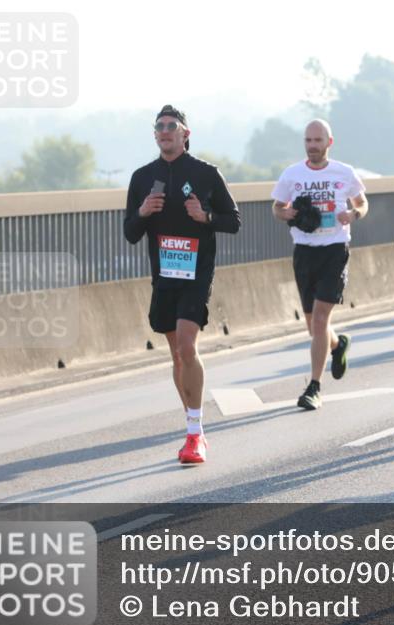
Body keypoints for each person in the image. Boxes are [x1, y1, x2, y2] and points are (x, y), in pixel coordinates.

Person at [123, 105, 241, 465]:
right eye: (159, 127)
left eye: (172, 126)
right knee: (176, 354)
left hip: (196, 272)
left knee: (188, 347)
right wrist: (143, 213)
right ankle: (194, 427)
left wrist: (205, 217)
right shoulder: (143, 177)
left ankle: (195, 433)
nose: (164, 131)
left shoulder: (206, 174)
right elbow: (130, 233)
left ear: (185, 134)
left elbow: (234, 221)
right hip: (164, 275)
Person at [272, 120, 368, 409]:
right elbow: (277, 207)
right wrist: (286, 214)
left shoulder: (344, 172)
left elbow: (363, 202)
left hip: (334, 250)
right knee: (313, 327)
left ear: (329, 142)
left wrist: (354, 214)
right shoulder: (292, 174)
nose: (312, 146)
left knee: (320, 320)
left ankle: (314, 387)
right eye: (308, 140)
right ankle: (338, 345)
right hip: (304, 251)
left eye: (317, 140)